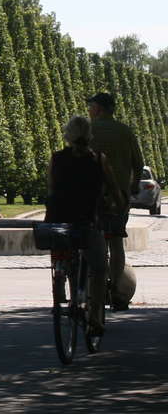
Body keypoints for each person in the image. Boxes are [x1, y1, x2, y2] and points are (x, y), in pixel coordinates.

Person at [45, 115, 112, 336]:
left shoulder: (56, 158)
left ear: (67, 135)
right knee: (100, 268)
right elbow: (110, 189)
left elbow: (51, 188)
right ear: (89, 135)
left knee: (69, 257)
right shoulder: (98, 159)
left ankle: (71, 298)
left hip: (59, 223)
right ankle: (95, 317)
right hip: (87, 221)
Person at [87, 91, 144, 308]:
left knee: (91, 241)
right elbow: (138, 163)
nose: (89, 110)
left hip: (92, 196)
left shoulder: (89, 130)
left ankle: (93, 293)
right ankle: (116, 289)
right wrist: (133, 185)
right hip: (119, 197)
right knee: (116, 241)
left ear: (99, 109)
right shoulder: (125, 131)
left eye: (91, 106)